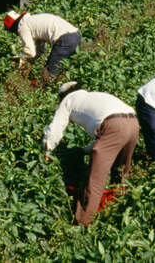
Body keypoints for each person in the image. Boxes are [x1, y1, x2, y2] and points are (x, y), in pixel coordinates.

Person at [42, 81, 139, 226]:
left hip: (113, 124)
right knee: (120, 174)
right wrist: (84, 151)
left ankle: (83, 223)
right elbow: (108, 139)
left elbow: (55, 130)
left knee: (95, 179)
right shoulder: (91, 97)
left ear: (63, 95)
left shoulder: (68, 100)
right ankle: (118, 212)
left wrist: (47, 151)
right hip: (133, 123)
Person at [3, 10, 81, 83]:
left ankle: (45, 90)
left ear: (13, 27)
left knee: (48, 75)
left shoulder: (23, 26)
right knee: (65, 73)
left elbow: (30, 52)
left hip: (64, 39)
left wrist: (21, 59)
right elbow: (41, 49)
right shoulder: (33, 21)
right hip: (76, 36)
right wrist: (30, 60)